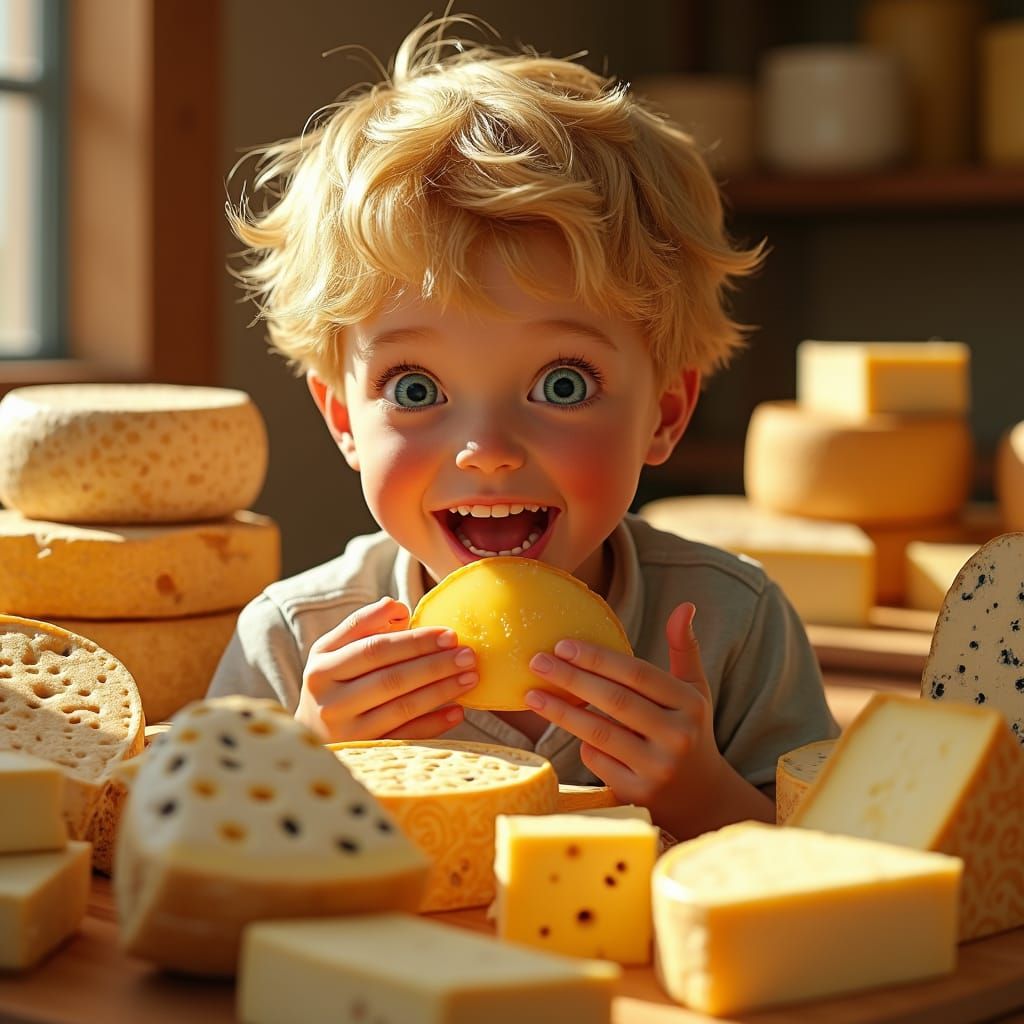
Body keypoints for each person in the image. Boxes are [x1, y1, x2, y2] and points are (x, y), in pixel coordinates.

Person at [209, 14, 839, 841]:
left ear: (667, 414)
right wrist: (300, 761)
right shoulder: (295, 642)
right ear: (344, 421)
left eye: (563, 383)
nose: (489, 451)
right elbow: (199, 860)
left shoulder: (732, 624)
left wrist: (698, 792)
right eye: (416, 386)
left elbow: (823, 867)